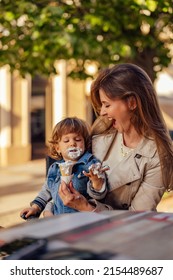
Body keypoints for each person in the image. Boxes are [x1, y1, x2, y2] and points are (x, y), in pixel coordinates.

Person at [58, 63, 173, 212]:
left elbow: (137, 217)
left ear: (132, 102)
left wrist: (86, 207)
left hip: (115, 233)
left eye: (107, 105)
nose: (102, 113)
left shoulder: (158, 156)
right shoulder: (101, 130)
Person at [20, 117, 109, 219]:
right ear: (58, 148)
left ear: (85, 143)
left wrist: (97, 182)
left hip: (83, 220)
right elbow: (46, 191)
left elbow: (99, 197)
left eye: (78, 139)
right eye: (66, 140)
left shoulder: (92, 165)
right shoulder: (54, 168)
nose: (72, 143)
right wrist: (35, 208)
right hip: (59, 221)